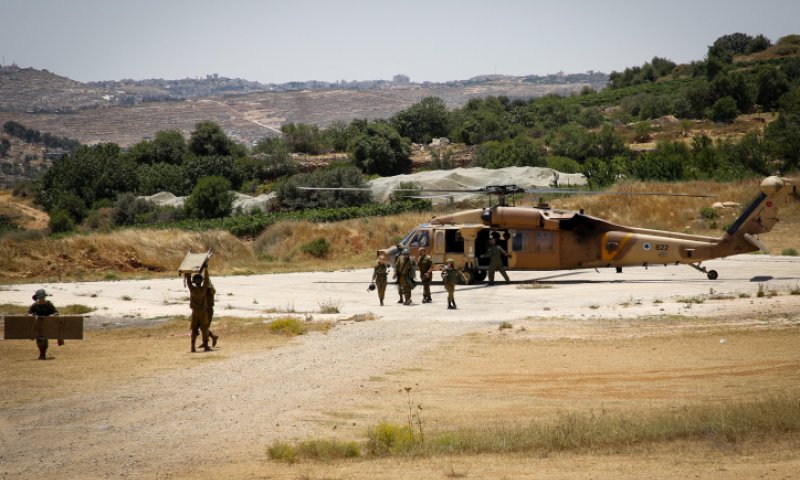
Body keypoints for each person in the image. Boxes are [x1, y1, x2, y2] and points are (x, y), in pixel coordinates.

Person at [185, 268, 213, 352]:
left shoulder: (192, 290)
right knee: (204, 328)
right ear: (201, 281)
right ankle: (206, 346)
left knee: (194, 329)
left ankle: (192, 347)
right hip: (203, 312)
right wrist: (206, 270)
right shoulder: (203, 289)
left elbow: (188, 282)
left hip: (194, 312)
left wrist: (188, 273)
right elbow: (207, 281)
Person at [28, 289, 58, 360]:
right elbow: (29, 313)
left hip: (48, 326)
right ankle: (42, 354)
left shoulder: (49, 304)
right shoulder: (34, 305)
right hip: (38, 326)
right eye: (40, 298)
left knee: (43, 337)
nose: (41, 299)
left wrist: (52, 316)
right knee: (41, 337)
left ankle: (42, 354)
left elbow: (56, 313)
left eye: (42, 298)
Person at [206, 276, 219, 347]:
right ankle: (207, 340)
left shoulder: (210, 289)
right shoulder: (205, 289)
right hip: (204, 309)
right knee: (203, 327)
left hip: (208, 310)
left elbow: (212, 291)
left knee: (205, 327)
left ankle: (213, 337)